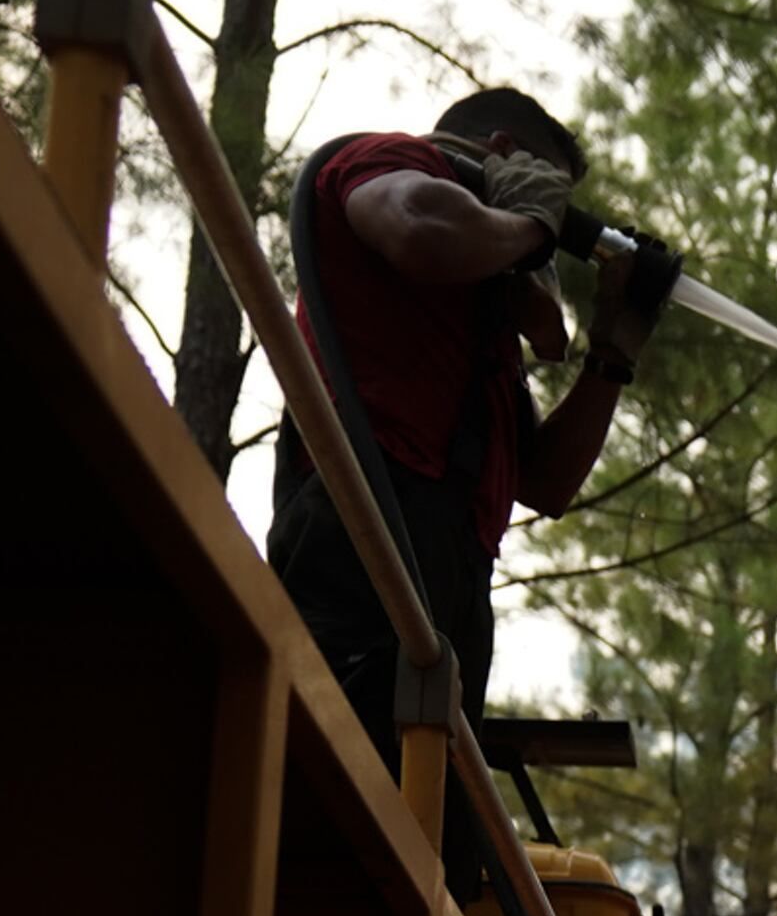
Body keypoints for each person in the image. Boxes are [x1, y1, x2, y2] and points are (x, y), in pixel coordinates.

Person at [267, 85, 683, 768]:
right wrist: (530, 223)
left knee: (433, 842)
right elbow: (416, 228)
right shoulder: (392, 159)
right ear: (500, 155)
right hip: (365, 525)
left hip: (454, 575)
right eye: (547, 189)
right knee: (338, 799)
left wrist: (614, 352)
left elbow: (545, 482)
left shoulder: (476, 326)